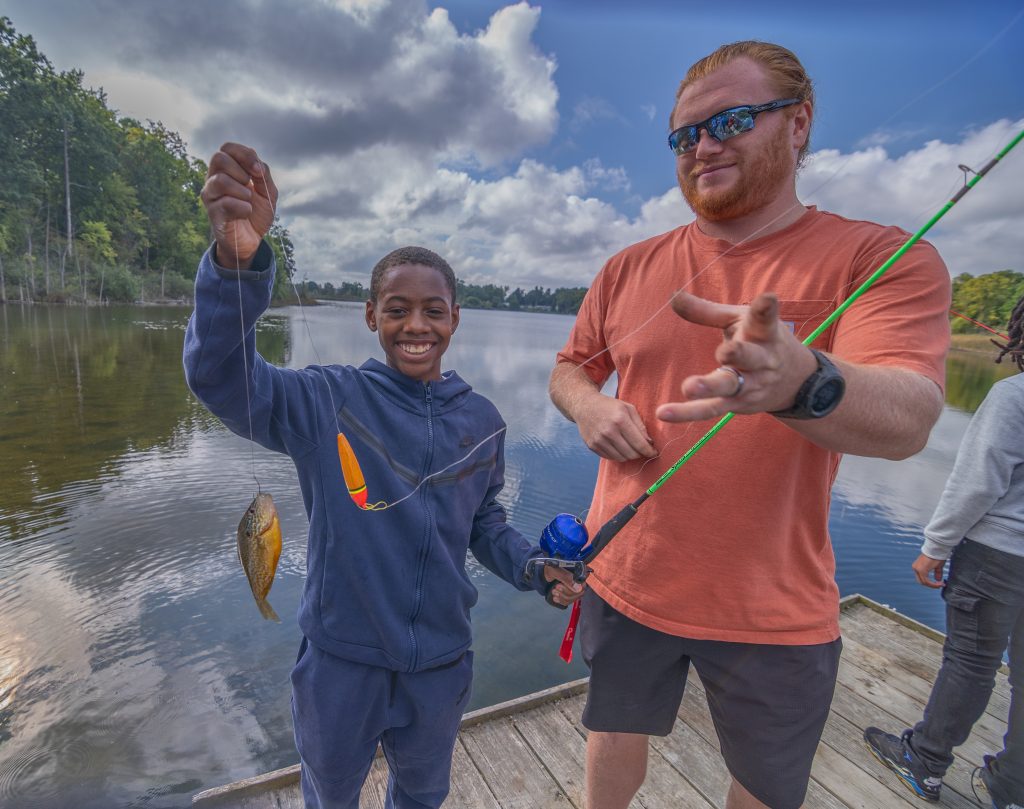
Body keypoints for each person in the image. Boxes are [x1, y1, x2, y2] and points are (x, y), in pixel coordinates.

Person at [549, 41, 951, 809]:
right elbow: (570, 367)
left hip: (774, 610)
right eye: (683, 134)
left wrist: (806, 382)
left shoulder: (880, 256)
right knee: (609, 742)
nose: (702, 146)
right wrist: (591, 406)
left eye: (731, 119)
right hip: (623, 577)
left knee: (763, 789)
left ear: (798, 123)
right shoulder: (628, 267)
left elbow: (910, 416)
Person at [183, 142, 583, 809]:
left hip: (441, 667)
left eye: (433, 310)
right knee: (329, 795)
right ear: (370, 316)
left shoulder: (483, 420)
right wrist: (236, 264)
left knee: (421, 796)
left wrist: (536, 568)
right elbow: (220, 375)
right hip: (341, 663)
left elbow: (486, 526)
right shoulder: (326, 401)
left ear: (456, 317)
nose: (415, 324)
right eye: (396, 308)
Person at [864, 297, 1024, 809]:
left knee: (971, 662)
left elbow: (977, 484)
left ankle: (925, 761)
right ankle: (1012, 783)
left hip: (998, 554)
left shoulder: (1013, 396)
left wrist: (935, 545)